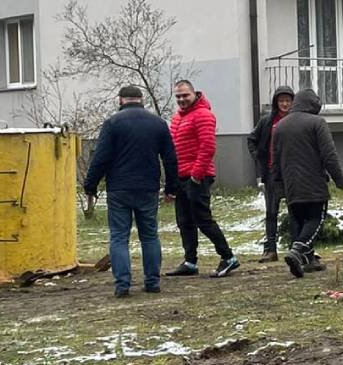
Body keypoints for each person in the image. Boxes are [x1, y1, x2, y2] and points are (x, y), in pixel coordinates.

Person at [82, 85, 178, 298]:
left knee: (118, 237)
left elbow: (101, 158)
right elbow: (170, 158)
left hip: (119, 189)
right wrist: (171, 187)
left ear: (120, 100)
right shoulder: (158, 124)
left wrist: (91, 184)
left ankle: (122, 285)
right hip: (148, 188)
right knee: (150, 236)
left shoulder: (113, 123)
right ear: (141, 99)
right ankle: (152, 282)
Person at [166, 79, 240, 278]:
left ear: (194, 94)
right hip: (181, 177)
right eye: (178, 96)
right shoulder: (177, 118)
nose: (182, 99)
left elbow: (207, 147)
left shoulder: (203, 115)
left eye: (185, 95)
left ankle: (228, 257)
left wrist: (196, 176)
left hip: (198, 176)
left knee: (203, 220)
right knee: (184, 221)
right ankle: (190, 262)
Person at [271, 88, 343, 278]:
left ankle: (308, 260)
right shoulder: (317, 123)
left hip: (291, 185)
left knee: (298, 220)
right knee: (315, 219)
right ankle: (297, 252)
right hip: (313, 182)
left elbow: (276, 158)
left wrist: (278, 184)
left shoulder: (280, 125)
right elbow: (328, 154)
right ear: (314, 105)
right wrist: (339, 179)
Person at [246, 84, 296, 263]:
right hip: (271, 174)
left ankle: (296, 248)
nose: (284, 104)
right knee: (271, 213)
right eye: (281, 101)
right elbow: (251, 139)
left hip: (291, 174)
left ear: (293, 102)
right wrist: (257, 158)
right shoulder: (267, 121)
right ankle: (270, 250)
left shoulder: (296, 120)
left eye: (288, 101)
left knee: (295, 213)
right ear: (276, 102)